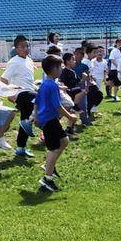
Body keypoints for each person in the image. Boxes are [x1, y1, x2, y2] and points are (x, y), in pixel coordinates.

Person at [35, 54, 77, 192]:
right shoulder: (52, 85)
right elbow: (57, 106)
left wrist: (35, 116)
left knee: (64, 142)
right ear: (53, 69)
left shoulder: (46, 83)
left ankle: (49, 166)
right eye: (60, 67)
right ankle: (47, 178)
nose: (62, 69)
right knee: (54, 148)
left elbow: (37, 101)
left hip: (48, 119)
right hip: (49, 120)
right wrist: (70, 117)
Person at [3, 35, 37, 158]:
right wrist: (9, 95)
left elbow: (28, 80)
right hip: (21, 94)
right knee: (36, 100)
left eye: (27, 46)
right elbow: (4, 79)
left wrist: (35, 86)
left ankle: (20, 148)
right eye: (22, 46)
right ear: (16, 49)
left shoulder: (29, 60)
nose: (26, 48)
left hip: (30, 92)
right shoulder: (13, 62)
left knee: (25, 120)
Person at [87, 46, 108, 115]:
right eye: (98, 51)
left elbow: (105, 71)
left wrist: (105, 79)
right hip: (93, 80)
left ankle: (94, 109)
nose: (100, 53)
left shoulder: (105, 61)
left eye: (102, 51)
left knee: (97, 95)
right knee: (95, 95)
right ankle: (92, 109)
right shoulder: (93, 61)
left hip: (100, 79)